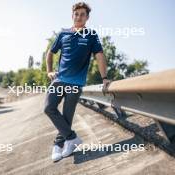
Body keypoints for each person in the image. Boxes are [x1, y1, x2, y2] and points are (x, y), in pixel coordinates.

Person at [44, 2, 110, 162]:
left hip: (76, 83)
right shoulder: (63, 33)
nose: (79, 16)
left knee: (67, 116)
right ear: (72, 15)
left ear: (87, 17)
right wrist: (49, 71)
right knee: (48, 108)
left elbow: (99, 56)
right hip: (59, 80)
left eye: (82, 14)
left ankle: (59, 145)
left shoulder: (91, 35)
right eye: (76, 14)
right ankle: (72, 138)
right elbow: (50, 53)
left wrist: (104, 77)